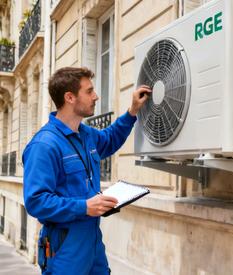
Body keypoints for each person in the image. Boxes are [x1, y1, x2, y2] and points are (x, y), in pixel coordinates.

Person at [23, 67, 151, 274]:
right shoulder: (44, 145)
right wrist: (84, 206)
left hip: (93, 241)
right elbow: (36, 201)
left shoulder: (86, 134)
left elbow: (110, 139)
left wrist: (132, 111)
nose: (96, 96)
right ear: (70, 97)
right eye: (89, 91)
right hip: (65, 246)